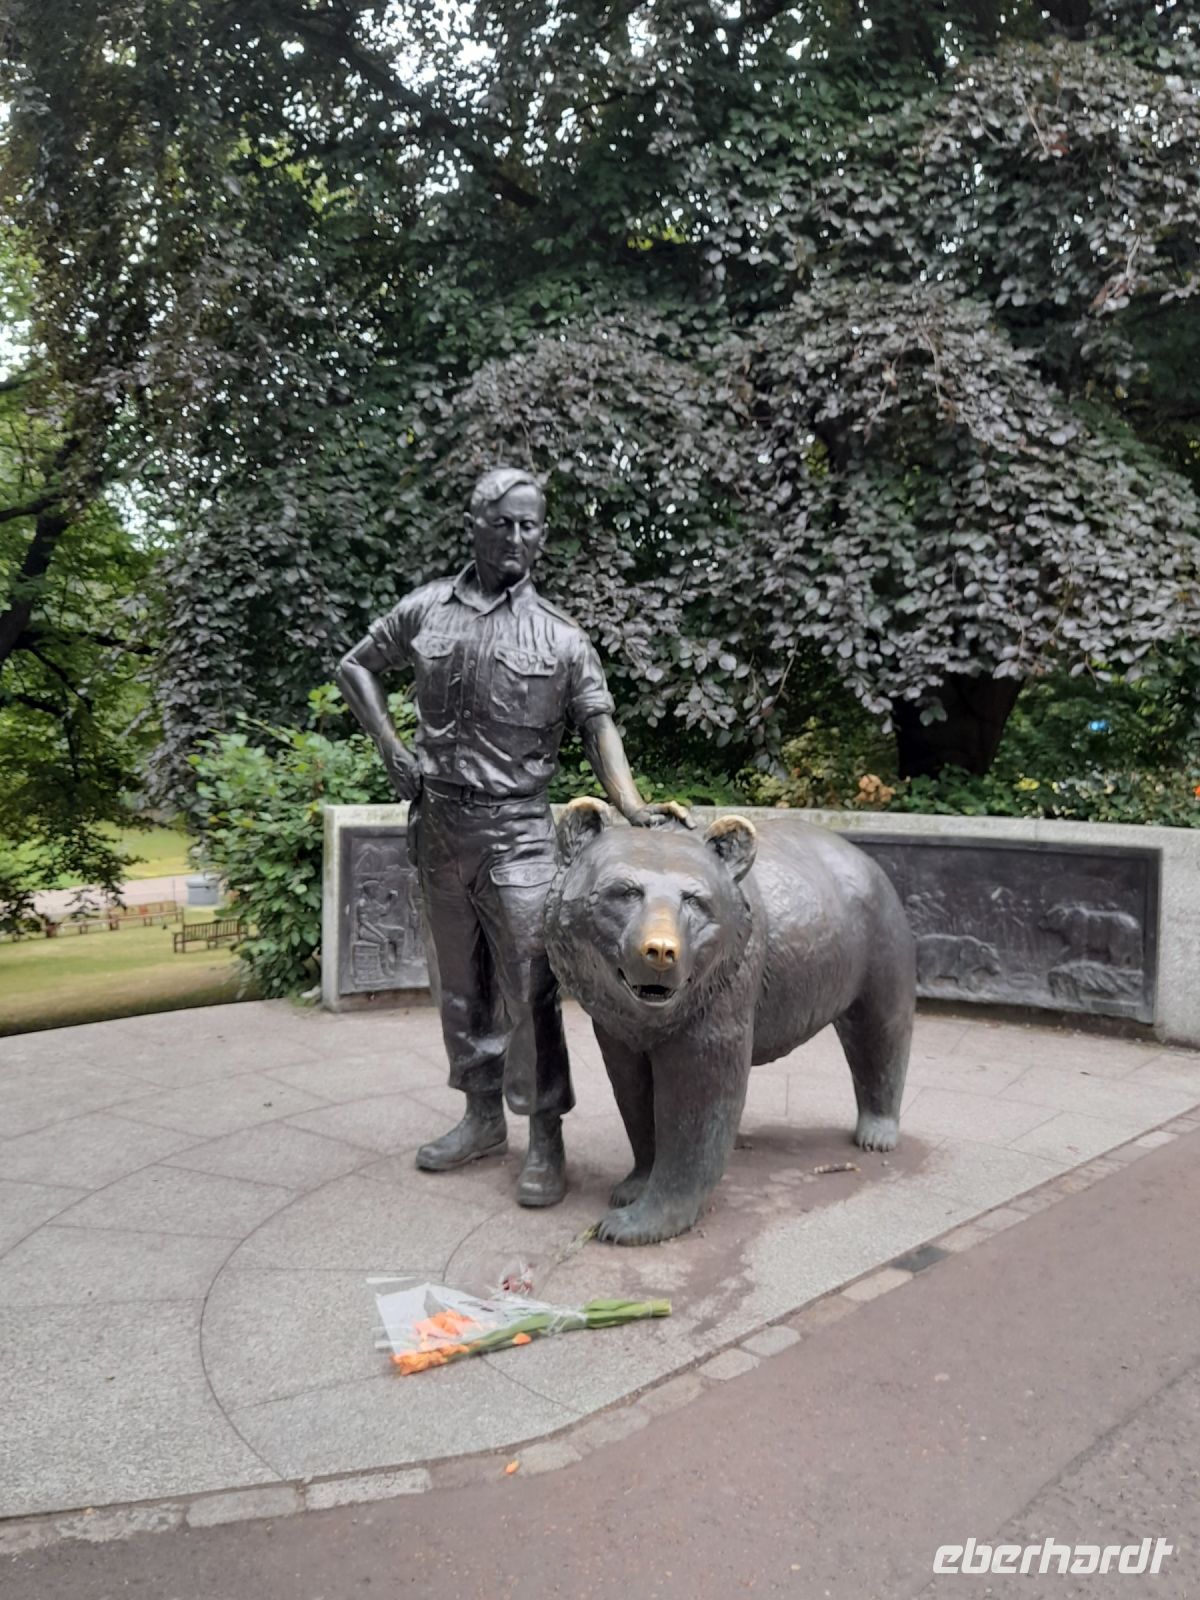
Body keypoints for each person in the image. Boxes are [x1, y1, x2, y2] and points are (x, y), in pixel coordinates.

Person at [336, 466, 674, 1207]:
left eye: (531, 526)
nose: (519, 538)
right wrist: (390, 748)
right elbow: (355, 665)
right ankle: (480, 1116)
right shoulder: (427, 610)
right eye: (506, 523)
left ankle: (544, 1136)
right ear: (476, 526)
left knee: (529, 988)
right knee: (459, 986)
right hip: (438, 827)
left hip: (520, 833)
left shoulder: (560, 635)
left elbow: (597, 724)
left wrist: (633, 806)